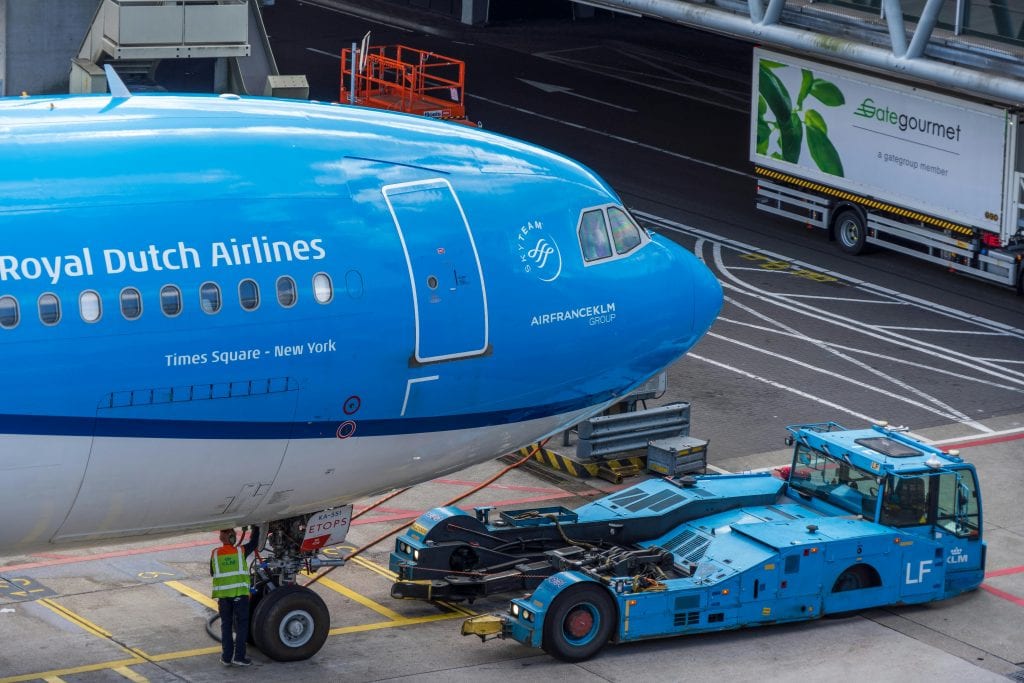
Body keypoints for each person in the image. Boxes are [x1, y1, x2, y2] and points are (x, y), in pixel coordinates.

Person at [210, 526, 260, 666]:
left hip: (224, 597)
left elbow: (213, 572)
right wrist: (256, 526)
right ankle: (239, 657)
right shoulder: (240, 551)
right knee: (241, 625)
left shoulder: (215, 554)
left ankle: (226, 658)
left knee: (226, 626)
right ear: (232, 538)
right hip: (239, 595)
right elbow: (254, 542)